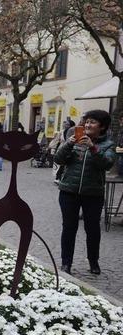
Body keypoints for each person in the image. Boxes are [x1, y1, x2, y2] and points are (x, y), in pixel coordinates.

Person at [54, 109, 116, 276]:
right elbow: (58, 159)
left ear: (102, 127)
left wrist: (93, 148)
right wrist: (69, 144)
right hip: (69, 191)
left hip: (93, 194)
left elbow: (107, 164)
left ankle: (93, 261)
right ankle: (66, 263)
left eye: (92, 122)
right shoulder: (73, 140)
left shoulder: (108, 144)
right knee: (69, 228)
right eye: (86, 121)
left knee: (92, 229)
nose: (88, 124)